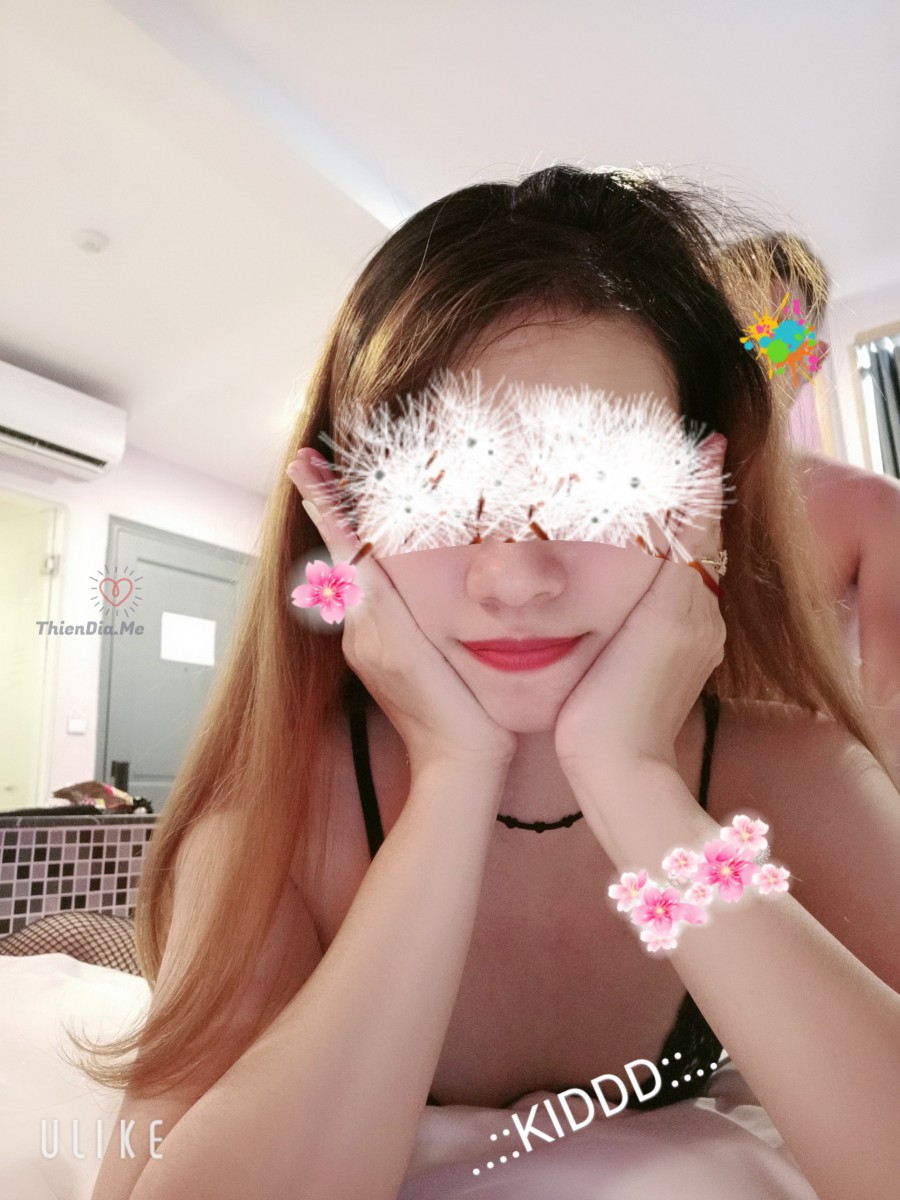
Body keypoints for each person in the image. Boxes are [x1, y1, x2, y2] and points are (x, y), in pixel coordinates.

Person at [84, 165, 900, 1200]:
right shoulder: (281, 810)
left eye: (602, 482)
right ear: (345, 510)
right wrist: (452, 780)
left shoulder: (802, 788)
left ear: (706, 499)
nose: (513, 576)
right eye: (433, 483)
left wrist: (637, 784)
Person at [719, 231, 900, 788]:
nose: (747, 355)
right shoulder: (644, 504)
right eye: (728, 330)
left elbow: (890, 704)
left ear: (811, 359)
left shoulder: (873, 507)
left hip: (819, 788)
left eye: (775, 337)